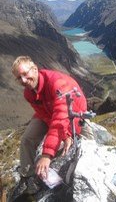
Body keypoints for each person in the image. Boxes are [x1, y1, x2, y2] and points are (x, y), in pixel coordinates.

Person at [11, 55, 87, 192]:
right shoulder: (29, 93)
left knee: (63, 148)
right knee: (27, 139)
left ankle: (55, 182)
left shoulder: (57, 84)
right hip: (50, 113)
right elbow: (44, 114)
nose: (23, 80)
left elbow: (61, 117)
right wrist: (53, 129)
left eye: (25, 73)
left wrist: (47, 154)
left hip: (73, 114)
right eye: (18, 78)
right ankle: (29, 176)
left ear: (35, 69)